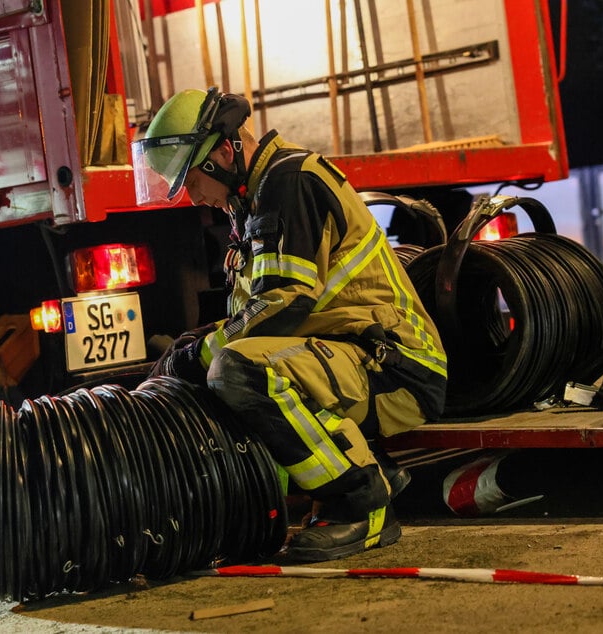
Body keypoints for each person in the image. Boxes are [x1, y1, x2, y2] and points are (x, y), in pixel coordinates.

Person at [131, 87, 447, 562]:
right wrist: (194, 343)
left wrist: (200, 355)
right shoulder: (254, 198)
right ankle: (370, 463)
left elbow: (285, 303)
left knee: (237, 370)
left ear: (223, 151)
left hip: (396, 366)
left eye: (192, 179)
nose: (193, 196)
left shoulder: (288, 181)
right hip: (351, 356)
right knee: (218, 358)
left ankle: (362, 503)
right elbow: (256, 314)